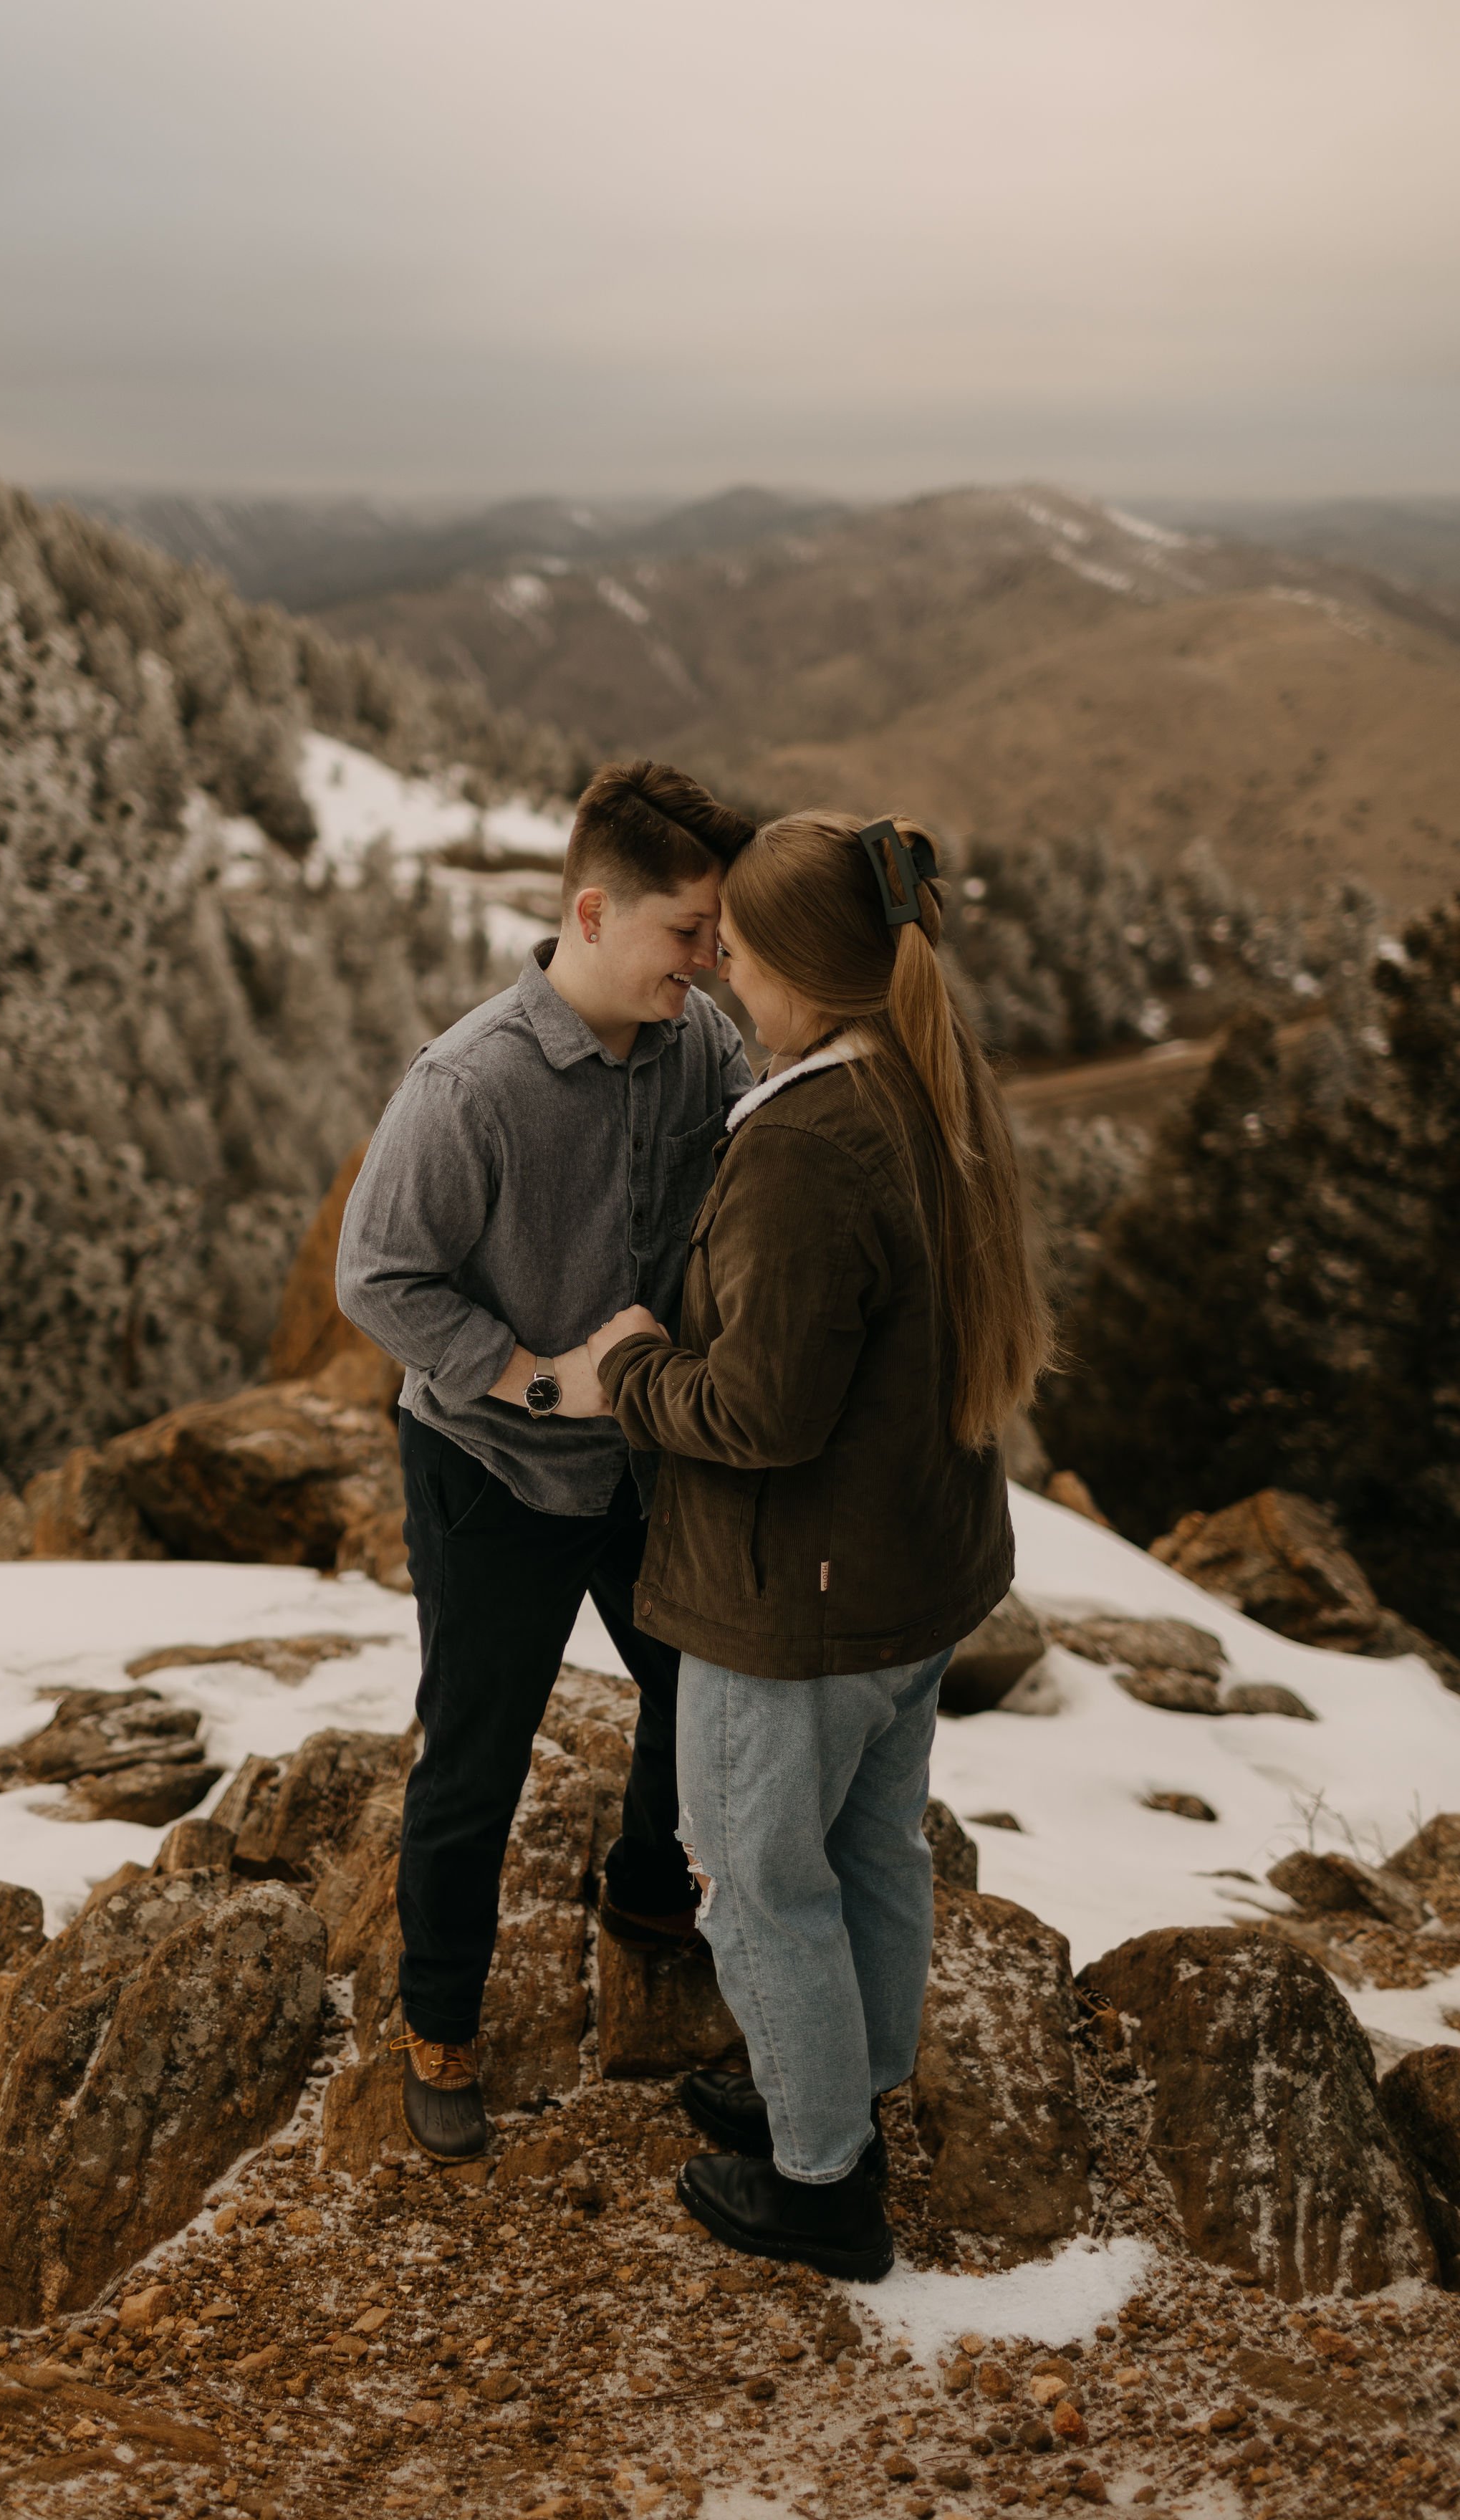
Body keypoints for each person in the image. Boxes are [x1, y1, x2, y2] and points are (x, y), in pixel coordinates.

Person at [586, 809, 1054, 2281]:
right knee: (871, 1846)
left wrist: (634, 1371)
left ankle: (823, 2183)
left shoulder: (805, 1142)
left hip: (798, 1599)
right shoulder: (927, 1083)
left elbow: (762, 1411)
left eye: (736, 950)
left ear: (803, 968)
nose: (717, 969)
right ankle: (843, 2079)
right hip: (915, 1577)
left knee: (757, 1875)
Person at [335, 760, 756, 2160]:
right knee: (477, 1759)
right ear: (590, 910)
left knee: (696, 1690)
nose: (710, 965)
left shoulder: (700, 1049)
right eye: (686, 934)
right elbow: (377, 1277)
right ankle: (440, 2022)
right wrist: (535, 1377)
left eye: (717, 937)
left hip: (645, 1471)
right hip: (491, 1477)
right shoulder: (470, 1085)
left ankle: (646, 1891)